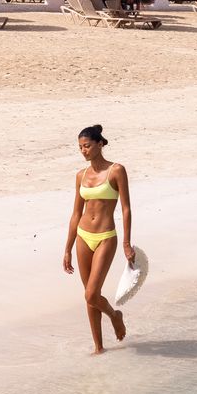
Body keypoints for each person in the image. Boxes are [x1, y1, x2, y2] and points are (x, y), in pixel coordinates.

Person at [64, 123, 135, 354]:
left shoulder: (116, 170)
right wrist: (67, 248)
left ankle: (115, 316)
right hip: (84, 236)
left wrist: (126, 243)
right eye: (80, 147)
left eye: (87, 146)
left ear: (99, 144)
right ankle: (99, 348)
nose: (83, 151)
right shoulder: (80, 176)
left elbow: (125, 208)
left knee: (91, 293)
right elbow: (76, 213)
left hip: (106, 236)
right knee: (89, 297)